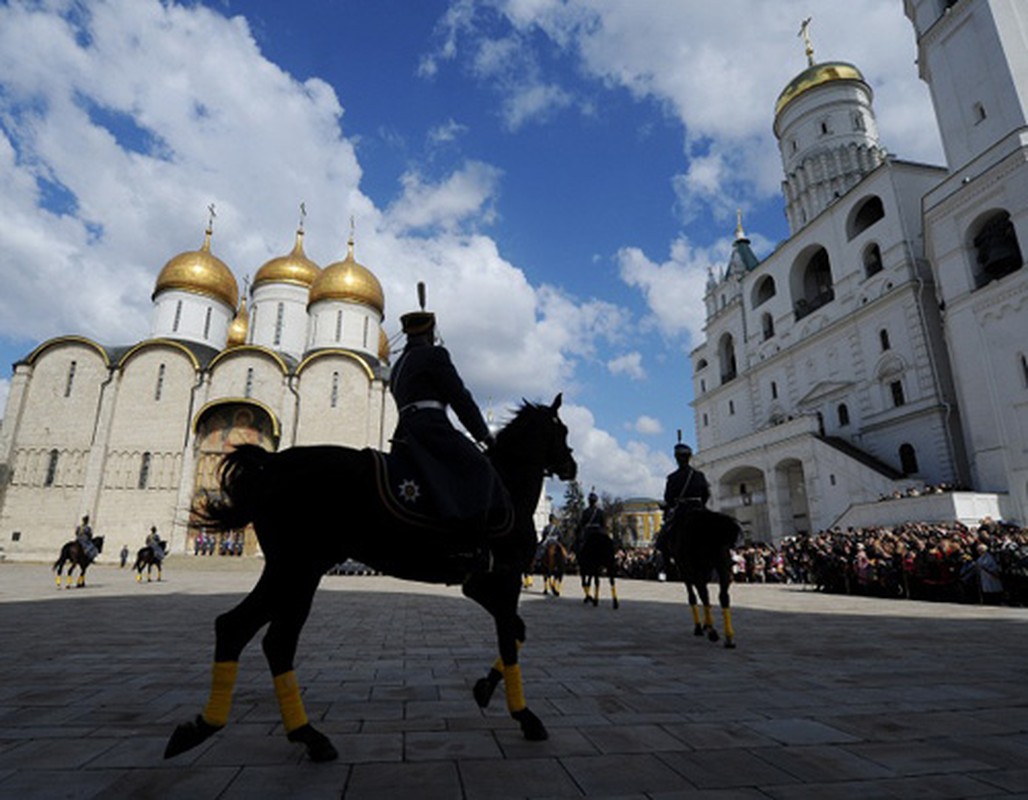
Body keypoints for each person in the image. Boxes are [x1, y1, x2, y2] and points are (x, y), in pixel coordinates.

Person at [388, 290, 510, 537]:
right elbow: (459, 398)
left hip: (403, 432)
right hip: (430, 428)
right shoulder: (434, 355)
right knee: (480, 467)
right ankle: (467, 543)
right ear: (431, 333)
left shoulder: (398, 365)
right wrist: (484, 436)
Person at [655, 443, 710, 563]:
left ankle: (665, 564)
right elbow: (706, 494)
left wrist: (669, 506)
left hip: (682, 511)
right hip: (699, 509)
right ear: (689, 457)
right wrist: (701, 506)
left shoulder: (672, 477)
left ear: (677, 458)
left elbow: (668, 498)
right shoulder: (699, 475)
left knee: (663, 536)